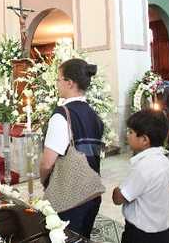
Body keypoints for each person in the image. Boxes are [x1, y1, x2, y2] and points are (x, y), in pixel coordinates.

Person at [39, 58, 104, 239]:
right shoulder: (94, 115)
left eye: (59, 79)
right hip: (91, 194)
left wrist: (45, 182)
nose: (57, 83)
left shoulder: (62, 116)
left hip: (69, 198)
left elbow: (47, 164)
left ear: (69, 82)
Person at [112, 109, 169, 243]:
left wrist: (116, 190)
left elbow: (119, 198)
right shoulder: (164, 160)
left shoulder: (144, 166)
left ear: (145, 139)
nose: (127, 136)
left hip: (141, 235)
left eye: (131, 132)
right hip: (161, 232)